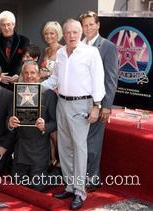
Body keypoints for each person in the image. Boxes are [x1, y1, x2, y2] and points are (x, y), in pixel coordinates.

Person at [42, 19, 105, 209]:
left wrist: (97, 106)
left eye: (75, 32)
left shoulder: (91, 52)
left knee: (79, 149)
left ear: (81, 33)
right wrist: (33, 87)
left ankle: (80, 191)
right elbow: (54, 80)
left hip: (81, 105)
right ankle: (70, 186)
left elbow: (98, 80)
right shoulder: (61, 53)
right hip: (62, 103)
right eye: (68, 32)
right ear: (65, 34)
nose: (71, 36)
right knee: (65, 147)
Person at [79, 11, 119, 191]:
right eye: (85, 25)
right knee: (80, 143)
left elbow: (111, 79)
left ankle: (92, 180)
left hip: (98, 104)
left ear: (98, 25)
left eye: (91, 24)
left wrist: (106, 106)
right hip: (78, 102)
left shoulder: (107, 47)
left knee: (92, 144)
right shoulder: (79, 46)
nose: (88, 28)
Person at [8, 61, 57, 192]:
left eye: (33, 73)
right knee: (17, 183)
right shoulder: (17, 92)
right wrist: (10, 123)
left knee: (38, 187)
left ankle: (56, 174)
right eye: (26, 73)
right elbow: (8, 118)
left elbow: (55, 122)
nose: (29, 76)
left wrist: (45, 126)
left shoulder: (49, 94)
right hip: (21, 148)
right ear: (22, 75)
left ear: (39, 75)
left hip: (39, 148)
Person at [0, 10, 30, 91]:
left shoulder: (24, 41)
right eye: (3, 25)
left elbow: (29, 61)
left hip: (18, 85)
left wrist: (20, 75)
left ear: (14, 24)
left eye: (8, 24)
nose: (6, 28)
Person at [40, 21, 63, 168]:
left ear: (58, 34)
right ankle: (52, 159)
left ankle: (61, 161)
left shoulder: (63, 50)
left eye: (52, 33)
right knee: (48, 128)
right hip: (46, 92)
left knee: (55, 129)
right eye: (46, 33)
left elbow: (60, 75)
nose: (49, 36)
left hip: (57, 93)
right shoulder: (47, 50)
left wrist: (46, 73)